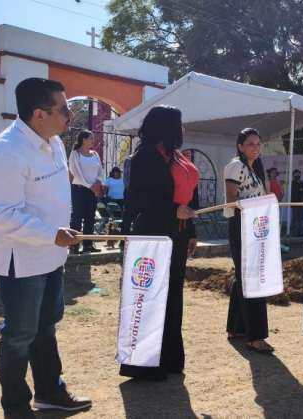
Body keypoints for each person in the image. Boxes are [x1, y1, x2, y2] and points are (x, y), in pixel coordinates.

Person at [0, 77, 91, 418]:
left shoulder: (53, 142)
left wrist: (57, 238)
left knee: (46, 326)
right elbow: (2, 216)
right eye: (64, 110)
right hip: (22, 261)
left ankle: (50, 392)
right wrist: (52, 234)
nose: (70, 117)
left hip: (51, 256)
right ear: (39, 114)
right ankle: (15, 407)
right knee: (19, 335)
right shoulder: (4, 150)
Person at [119, 105, 199, 380]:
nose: (183, 129)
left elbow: (188, 197)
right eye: (179, 124)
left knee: (173, 297)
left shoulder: (176, 157)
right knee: (150, 299)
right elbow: (137, 200)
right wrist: (172, 210)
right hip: (152, 235)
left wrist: (191, 231)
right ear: (166, 126)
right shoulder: (145, 156)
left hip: (177, 235)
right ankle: (143, 364)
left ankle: (169, 359)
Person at [224, 128, 273, 353]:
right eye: (251, 144)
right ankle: (256, 336)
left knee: (243, 276)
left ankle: (236, 327)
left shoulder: (256, 169)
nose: (255, 147)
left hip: (256, 227)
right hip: (242, 225)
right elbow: (232, 197)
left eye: (258, 143)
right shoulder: (236, 166)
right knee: (252, 277)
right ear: (240, 146)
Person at [68, 130, 104, 254]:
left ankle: (88, 245)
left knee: (90, 217)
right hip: (79, 189)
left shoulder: (95, 154)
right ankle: (74, 246)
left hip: (92, 190)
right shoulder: (75, 154)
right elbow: (76, 172)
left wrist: (98, 182)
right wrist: (90, 186)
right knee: (77, 217)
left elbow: (100, 171)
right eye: (91, 138)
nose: (93, 141)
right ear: (83, 139)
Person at [290, 169, 303, 236]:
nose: (297, 175)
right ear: (293, 175)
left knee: (301, 219)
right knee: (295, 219)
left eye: (298, 174)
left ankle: (301, 232)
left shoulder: (302, 183)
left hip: (302, 204)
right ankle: (294, 233)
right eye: (296, 174)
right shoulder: (292, 183)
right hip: (294, 203)